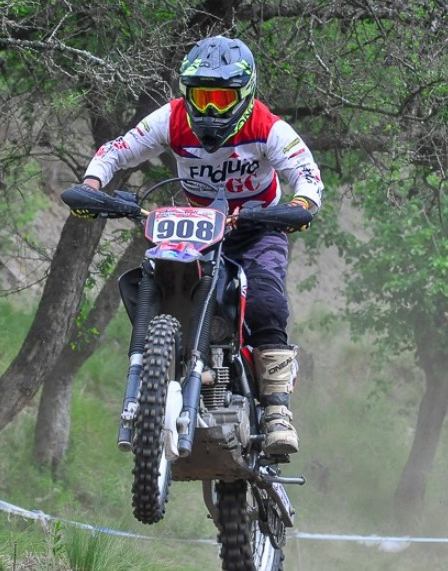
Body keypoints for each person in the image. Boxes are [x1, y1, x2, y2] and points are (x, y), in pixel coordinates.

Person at [71, 35, 324, 455]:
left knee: (263, 298)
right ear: (185, 93)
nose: (209, 110)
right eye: (201, 96)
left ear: (244, 95)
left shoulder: (267, 126)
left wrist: (298, 205)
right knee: (164, 283)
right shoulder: (171, 119)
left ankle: (278, 409)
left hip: (256, 228)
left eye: (221, 99)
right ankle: (162, 372)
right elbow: (117, 149)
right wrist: (93, 185)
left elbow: (308, 175)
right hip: (197, 229)